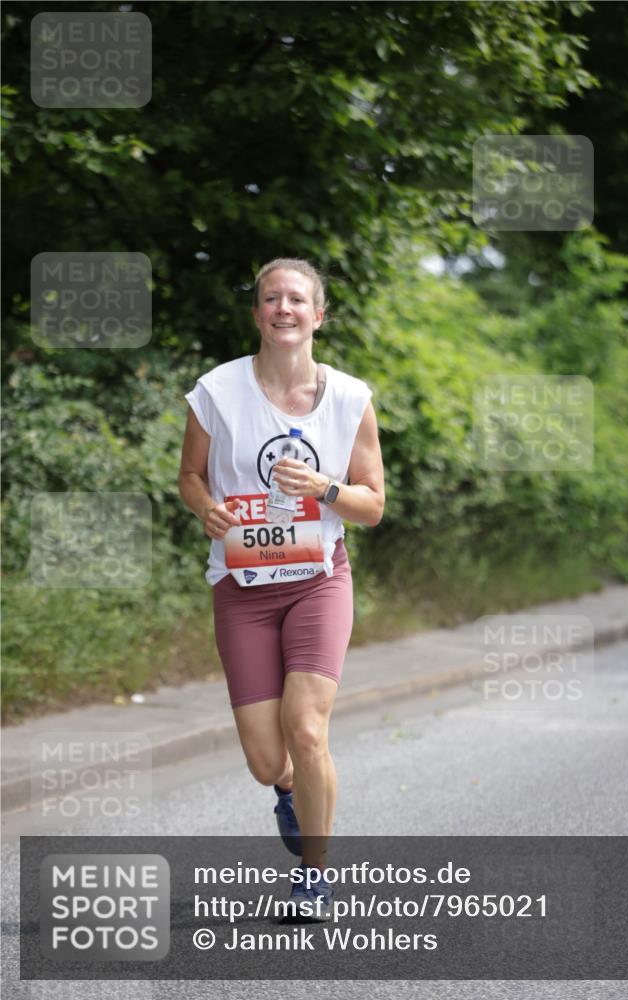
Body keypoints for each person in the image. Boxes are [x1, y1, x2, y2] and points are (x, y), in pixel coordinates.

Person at [179, 257, 384, 916]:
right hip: (241, 587)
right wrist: (203, 506)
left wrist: (324, 488)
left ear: (317, 314)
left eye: (297, 298)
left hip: (316, 583)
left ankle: (314, 875)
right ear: (258, 313)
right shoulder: (216, 389)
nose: (284, 308)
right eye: (271, 298)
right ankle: (290, 789)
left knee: (307, 726)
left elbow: (372, 503)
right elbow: (189, 474)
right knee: (268, 759)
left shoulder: (351, 398)